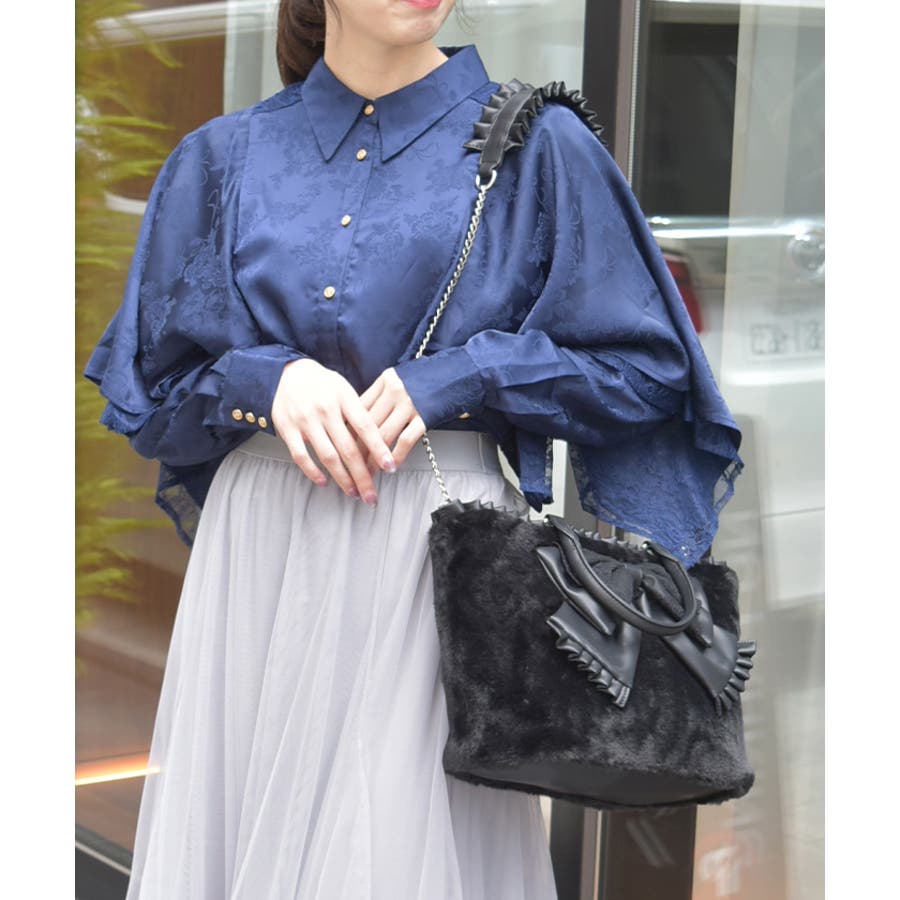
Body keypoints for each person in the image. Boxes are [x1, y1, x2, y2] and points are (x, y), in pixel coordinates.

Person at [84, 0, 743, 897]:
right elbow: (149, 392)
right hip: (261, 555)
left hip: (434, 554)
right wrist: (265, 382)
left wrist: (467, 374)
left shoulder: (540, 147)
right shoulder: (223, 157)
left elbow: (649, 370)